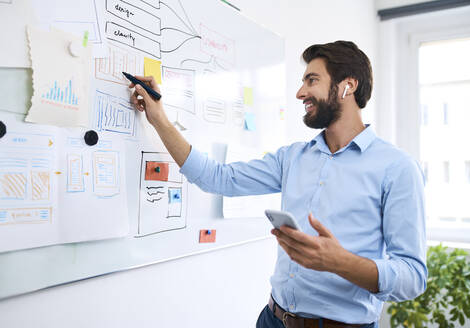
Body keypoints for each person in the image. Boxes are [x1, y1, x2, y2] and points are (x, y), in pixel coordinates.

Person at [129, 40, 427, 328]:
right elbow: (217, 178)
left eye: (312, 80)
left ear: (348, 86)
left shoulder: (397, 168)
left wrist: (339, 261)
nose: (300, 92)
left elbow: (412, 277)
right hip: (273, 319)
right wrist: (159, 119)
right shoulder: (293, 157)